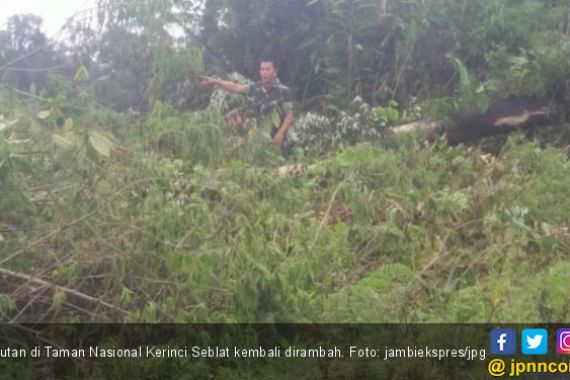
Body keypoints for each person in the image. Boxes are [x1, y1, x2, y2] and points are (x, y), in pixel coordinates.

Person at [201, 58, 294, 157]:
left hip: (279, 142)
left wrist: (280, 133)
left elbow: (289, 115)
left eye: (268, 69)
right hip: (260, 142)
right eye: (262, 69)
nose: (264, 72)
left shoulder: (284, 91)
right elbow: (235, 87)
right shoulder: (255, 88)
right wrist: (216, 82)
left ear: (275, 72)